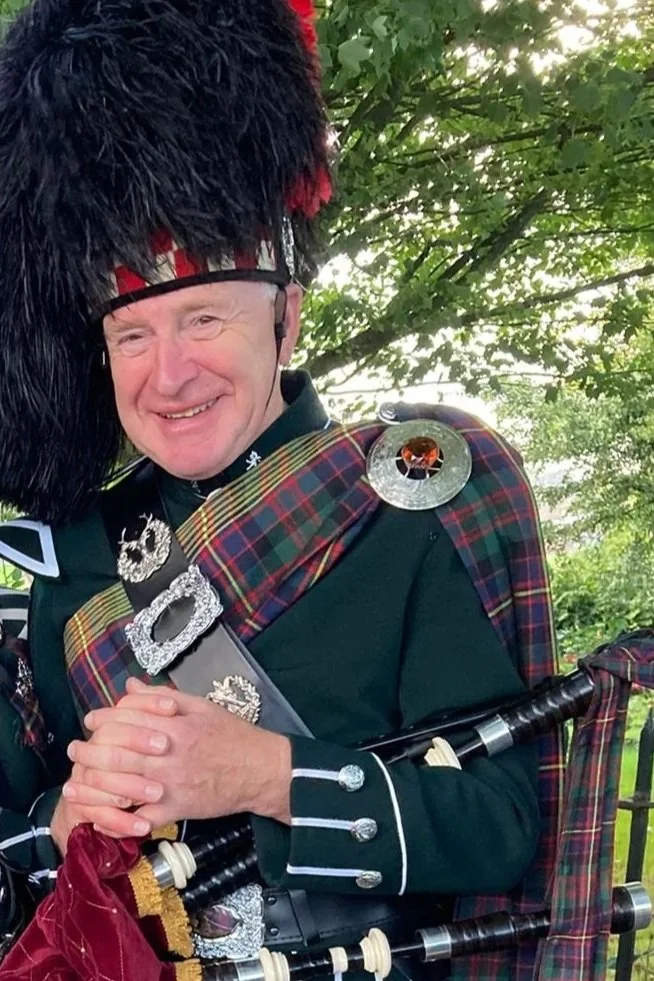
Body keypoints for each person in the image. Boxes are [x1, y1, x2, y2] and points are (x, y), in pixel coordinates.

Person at [0, 0, 560, 977]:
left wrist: (265, 776)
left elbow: (505, 826)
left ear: (286, 323)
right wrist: (62, 821)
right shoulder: (74, 554)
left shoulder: (408, 503)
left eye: (204, 319)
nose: (167, 375)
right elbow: (21, 838)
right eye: (134, 335)